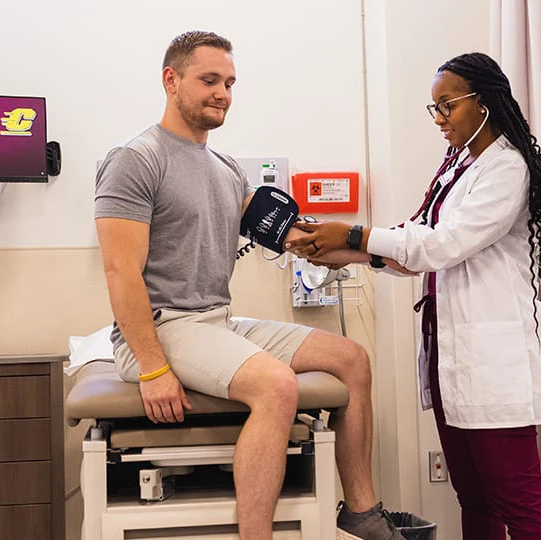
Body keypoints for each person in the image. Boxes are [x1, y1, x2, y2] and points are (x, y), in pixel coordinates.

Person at [92, 31, 404, 540]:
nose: (222, 93)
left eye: (230, 83)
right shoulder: (136, 159)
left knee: (352, 360)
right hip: (159, 327)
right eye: (209, 80)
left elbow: (298, 239)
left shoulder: (225, 169)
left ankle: (363, 515)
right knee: (276, 385)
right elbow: (119, 272)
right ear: (171, 81)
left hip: (214, 322)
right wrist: (152, 369)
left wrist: (384, 255)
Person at [287, 52, 541, 539]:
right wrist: (347, 253)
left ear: (483, 102)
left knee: (517, 502)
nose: (439, 118)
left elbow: (442, 245)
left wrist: (352, 236)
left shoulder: (507, 170)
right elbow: (415, 244)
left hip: (496, 365)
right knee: (473, 499)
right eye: (433, 108)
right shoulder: (460, 169)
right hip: (453, 359)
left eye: (447, 105)